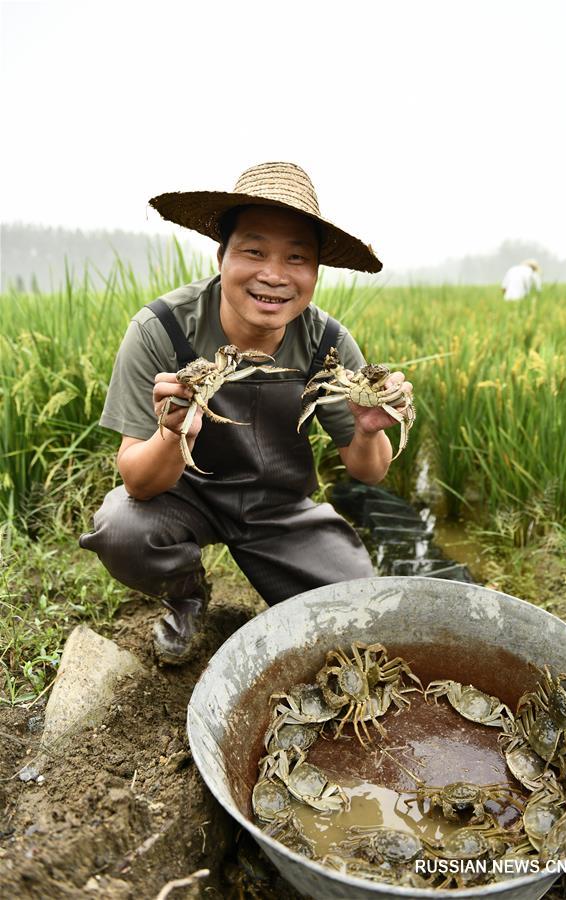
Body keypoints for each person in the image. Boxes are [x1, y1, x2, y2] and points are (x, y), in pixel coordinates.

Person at [79, 161, 414, 664]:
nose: (274, 275)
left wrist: (368, 430)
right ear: (221, 256)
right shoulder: (161, 330)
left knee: (354, 610)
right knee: (122, 529)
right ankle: (187, 594)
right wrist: (172, 433)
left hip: (278, 508)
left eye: (296, 257)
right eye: (254, 251)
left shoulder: (328, 342)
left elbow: (370, 469)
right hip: (184, 495)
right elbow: (138, 482)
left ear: (316, 272)